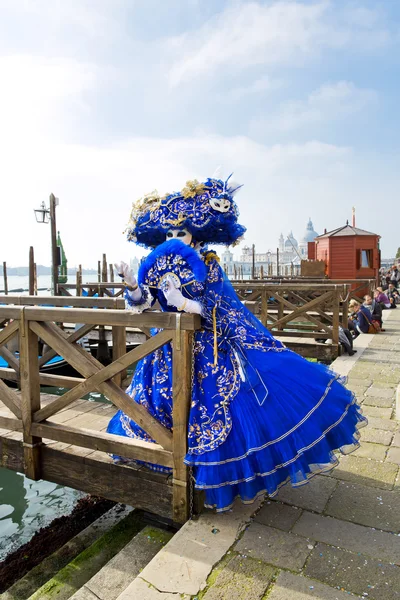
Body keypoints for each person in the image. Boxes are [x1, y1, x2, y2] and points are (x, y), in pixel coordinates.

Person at [107, 175, 366, 512]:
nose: (174, 240)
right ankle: (166, 462)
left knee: (215, 408)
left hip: (206, 348)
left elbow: (221, 309)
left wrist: (186, 304)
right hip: (166, 348)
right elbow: (149, 305)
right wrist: (133, 286)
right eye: (168, 235)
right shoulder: (158, 267)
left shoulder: (209, 266)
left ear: (194, 235)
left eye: (180, 233)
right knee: (161, 406)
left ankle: (207, 477)